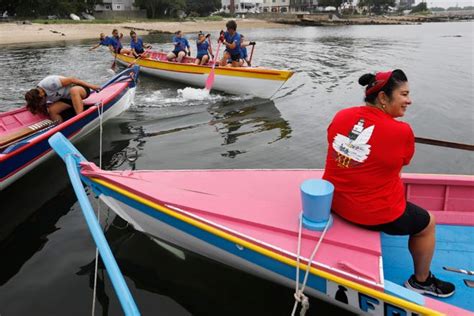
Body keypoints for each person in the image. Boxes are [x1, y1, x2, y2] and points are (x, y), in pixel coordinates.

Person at [322, 69, 455, 298]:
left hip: (334, 201)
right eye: (403, 94)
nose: (409, 100)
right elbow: (404, 160)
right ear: (383, 98)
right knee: (428, 224)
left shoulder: (342, 115)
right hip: (371, 214)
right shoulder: (401, 130)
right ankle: (421, 281)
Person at [25, 76, 101, 123]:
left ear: (40, 94)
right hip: (66, 98)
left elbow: (72, 79)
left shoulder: (49, 83)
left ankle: (80, 118)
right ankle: (61, 128)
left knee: (73, 90)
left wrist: (92, 86)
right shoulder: (38, 95)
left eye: (41, 100)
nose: (42, 101)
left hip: (80, 90)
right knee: (52, 110)